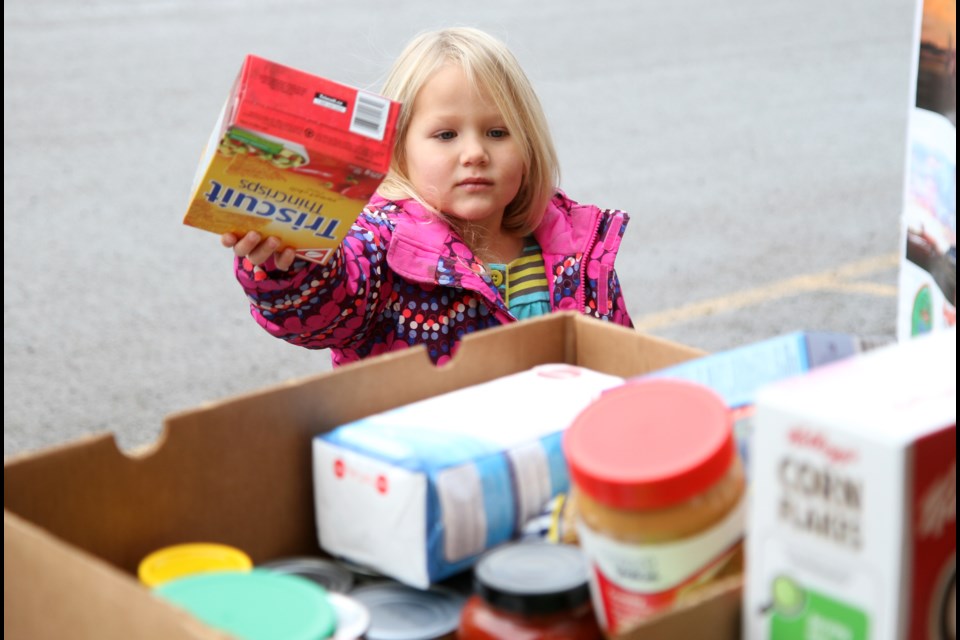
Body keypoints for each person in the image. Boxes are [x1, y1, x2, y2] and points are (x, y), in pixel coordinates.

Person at [222, 27, 633, 366]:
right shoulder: (379, 249)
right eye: (446, 135)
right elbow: (320, 314)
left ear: (528, 146)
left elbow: (621, 365)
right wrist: (290, 265)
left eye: (497, 132)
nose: (474, 153)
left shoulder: (577, 252)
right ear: (400, 149)